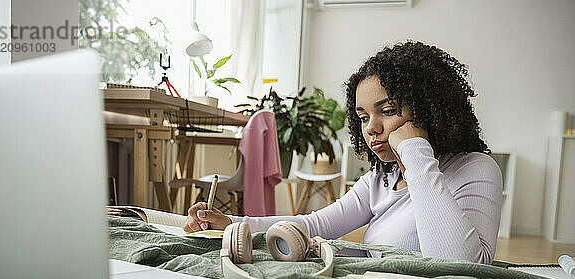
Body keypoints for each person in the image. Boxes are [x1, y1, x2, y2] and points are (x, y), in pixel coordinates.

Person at [183, 41, 502, 264]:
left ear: (430, 109)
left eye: (387, 110)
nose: (371, 128)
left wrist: (416, 153)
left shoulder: (475, 168)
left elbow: (461, 266)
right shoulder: (380, 180)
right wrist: (232, 224)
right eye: (363, 117)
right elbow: (313, 225)